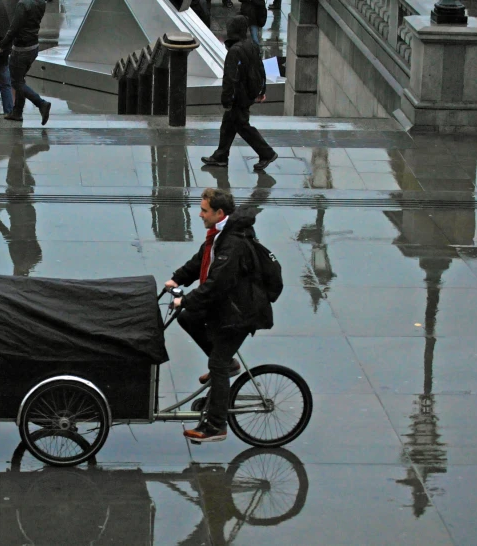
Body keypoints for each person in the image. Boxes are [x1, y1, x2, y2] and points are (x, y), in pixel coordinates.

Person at [166, 188, 268, 442]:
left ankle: (215, 426)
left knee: (217, 365)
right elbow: (202, 258)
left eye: (204, 210)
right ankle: (229, 363)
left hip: (238, 313)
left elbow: (216, 284)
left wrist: (185, 299)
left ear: (219, 213)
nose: (199, 214)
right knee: (187, 318)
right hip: (226, 306)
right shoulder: (219, 235)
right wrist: (176, 278)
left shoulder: (232, 243)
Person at [201, 16, 277, 172]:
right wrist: (262, 90)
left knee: (242, 125)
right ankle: (220, 156)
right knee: (228, 124)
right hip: (247, 93)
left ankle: (266, 153)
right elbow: (260, 69)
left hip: (238, 96)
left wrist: (227, 98)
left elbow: (230, 78)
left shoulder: (235, 51)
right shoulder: (251, 46)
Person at [0, 0, 52, 124]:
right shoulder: (41, 3)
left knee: (16, 82)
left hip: (21, 50)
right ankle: (17, 112)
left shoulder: (23, 4)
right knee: (20, 80)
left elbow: (13, 29)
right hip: (33, 47)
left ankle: (41, 104)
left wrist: (2, 45)